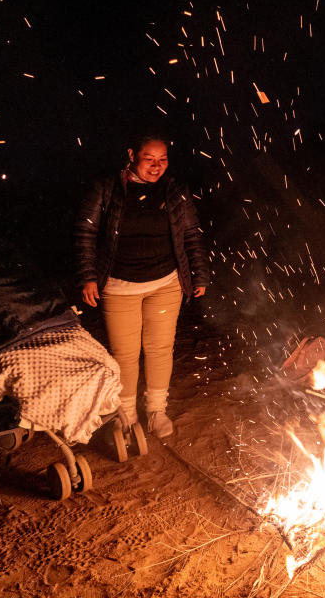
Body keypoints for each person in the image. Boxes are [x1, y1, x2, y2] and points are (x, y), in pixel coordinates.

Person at [74, 135, 210, 438]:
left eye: (163, 159)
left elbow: (191, 234)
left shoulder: (175, 191)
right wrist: (88, 276)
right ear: (132, 154)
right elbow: (85, 231)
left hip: (165, 283)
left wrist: (199, 273)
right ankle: (127, 414)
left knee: (159, 349)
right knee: (125, 353)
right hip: (120, 286)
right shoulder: (107, 188)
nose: (156, 166)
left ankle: (156, 411)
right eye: (149, 158)